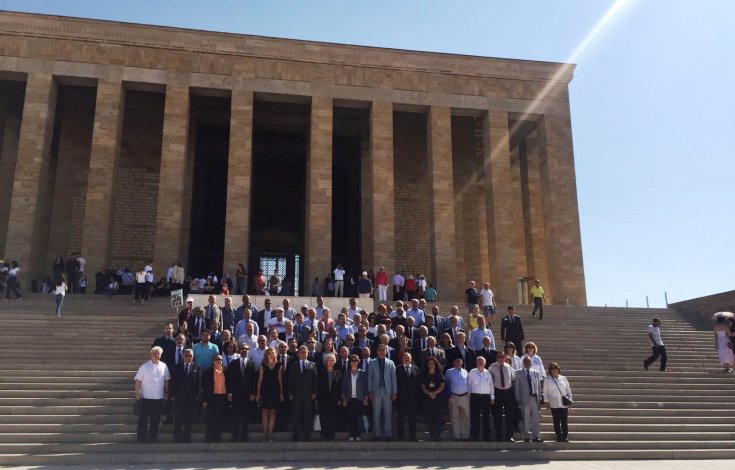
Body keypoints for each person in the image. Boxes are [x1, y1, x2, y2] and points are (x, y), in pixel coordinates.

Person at [134, 346, 170, 443]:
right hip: (146, 398)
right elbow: (138, 382)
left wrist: (166, 393)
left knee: (155, 420)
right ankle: (141, 438)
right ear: (151, 354)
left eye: (158, 353)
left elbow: (167, 380)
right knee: (143, 420)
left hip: (158, 398)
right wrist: (138, 396)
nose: (157, 355)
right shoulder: (144, 367)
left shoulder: (164, 366)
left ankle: (152, 438)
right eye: (155, 353)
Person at [226, 343, 257, 442]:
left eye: (246, 349)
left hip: (247, 395)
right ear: (239, 350)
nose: (244, 350)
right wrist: (229, 392)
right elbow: (229, 379)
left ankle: (244, 436)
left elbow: (253, 380)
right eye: (242, 348)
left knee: (245, 416)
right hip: (235, 394)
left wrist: (253, 393)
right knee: (235, 416)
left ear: (248, 351)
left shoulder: (251, 364)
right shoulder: (234, 363)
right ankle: (235, 436)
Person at [287, 345, 318, 441]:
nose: (304, 354)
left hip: (308, 395)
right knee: (296, 415)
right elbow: (290, 380)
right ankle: (295, 436)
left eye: (305, 352)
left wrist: (314, 392)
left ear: (308, 353)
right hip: (297, 395)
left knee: (307, 415)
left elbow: (315, 380)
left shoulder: (312, 365)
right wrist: (290, 393)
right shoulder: (294, 365)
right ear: (298, 354)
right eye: (302, 352)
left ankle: (307, 436)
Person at [170, 348, 201, 443]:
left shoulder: (197, 367)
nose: (188, 357)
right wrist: (172, 395)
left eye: (190, 356)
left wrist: (198, 395)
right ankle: (177, 438)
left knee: (188, 419)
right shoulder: (177, 367)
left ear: (193, 357)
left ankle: (186, 437)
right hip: (179, 397)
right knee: (178, 418)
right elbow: (172, 382)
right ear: (183, 356)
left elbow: (199, 383)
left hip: (191, 398)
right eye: (186, 355)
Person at [367, 343, 397, 441]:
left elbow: (393, 378)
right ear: (377, 351)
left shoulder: (391, 363)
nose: (381, 352)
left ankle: (388, 434)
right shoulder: (372, 362)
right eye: (380, 350)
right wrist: (370, 391)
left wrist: (394, 392)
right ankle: (377, 434)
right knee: (376, 413)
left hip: (387, 391)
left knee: (388, 413)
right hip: (376, 391)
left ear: (386, 352)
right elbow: (369, 377)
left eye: (383, 350)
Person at [256, 347, 283, 442]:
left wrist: (281, 392)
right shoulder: (263, 366)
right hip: (265, 391)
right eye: (269, 353)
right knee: (264, 412)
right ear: (266, 355)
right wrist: (258, 393)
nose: (271, 354)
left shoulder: (279, 365)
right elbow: (260, 380)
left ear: (275, 354)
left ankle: (270, 435)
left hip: (275, 391)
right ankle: (265, 435)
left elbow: (280, 380)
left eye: (273, 353)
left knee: (272, 413)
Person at [201, 355, 229, 442]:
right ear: (213, 361)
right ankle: (209, 437)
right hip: (212, 397)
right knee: (211, 418)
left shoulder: (226, 372)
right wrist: (205, 400)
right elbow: (205, 387)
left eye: (220, 359)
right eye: (216, 359)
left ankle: (217, 437)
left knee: (220, 417)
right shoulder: (208, 373)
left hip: (222, 397)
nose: (218, 361)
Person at [489, 352, 516, 442]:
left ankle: (509, 435)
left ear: (505, 358)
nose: (500, 358)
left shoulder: (509, 367)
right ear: (496, 358)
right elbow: (490, 381)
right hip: (497, 391)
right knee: (497, 415)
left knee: (510, 414)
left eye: (502, 357)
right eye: (499, 357)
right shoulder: (492, 367)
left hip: (508, 392)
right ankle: (499, 435)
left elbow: (512, 378)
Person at [514, 356, 543, 442]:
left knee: (535, 418)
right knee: (526, 418)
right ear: (523, 363)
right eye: (525, 362)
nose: (527, 363)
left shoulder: (536, 373)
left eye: (529, 362)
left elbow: (538, 386)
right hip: (524, 398)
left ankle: (535, 436)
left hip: (534, 398)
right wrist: (517, 398)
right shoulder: (518, 373)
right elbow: (517, 387)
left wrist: (540, 397)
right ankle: (526, 436)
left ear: (531, 363)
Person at [341, 353, 368, 441]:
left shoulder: (363, 373)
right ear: (350, 362)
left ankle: (357, 435)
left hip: (359, 398)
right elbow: (343, 387)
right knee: (351, 417)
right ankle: (352, 435)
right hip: (350, 398)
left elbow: (365, 386)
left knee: (357, 417)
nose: (354, 362)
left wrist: (366, 398)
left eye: (356, 360)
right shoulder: (346, 373)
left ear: (358, 362)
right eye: (352, 360)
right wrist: (344, 398)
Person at [543, 362, 572, 442]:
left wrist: (570, 401)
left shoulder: (563, 378)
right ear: (550, 370)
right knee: (556, 421)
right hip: (554, 404)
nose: (554, 370)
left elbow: (568, 390)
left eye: (555, 368)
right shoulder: (547, 379)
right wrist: (546, 402)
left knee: (564, 421)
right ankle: (559, 435)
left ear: (558, 369)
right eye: (552, 368)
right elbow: (545, 391)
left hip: (563, 404)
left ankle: (565, 436)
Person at [317, 353, 342, 441]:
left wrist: (339, 398)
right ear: (326, 362)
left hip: (334, 399)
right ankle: (324, 435)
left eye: (332, 360)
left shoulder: (337, 372)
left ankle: (331, 435)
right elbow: (318, 386)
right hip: (323, 398)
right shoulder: (321, 372)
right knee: (323, 417)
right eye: (329, 360)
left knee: (332, 417)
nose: (330, 362)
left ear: (334, 362)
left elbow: (339, 386)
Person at [395, 352, 420, 441]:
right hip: (401, 398)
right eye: (405, 357)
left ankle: (412, 436)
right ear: (402, 359)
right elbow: (396, 383)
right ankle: (400, 436)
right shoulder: (397, 369)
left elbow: (418, 384)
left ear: (411, 359)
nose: (406, 359)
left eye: (408, 357)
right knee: (400, 418)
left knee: (412, 419)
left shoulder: (416, 369)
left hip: (413, 399)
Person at [468, 356, 493, 442]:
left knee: (486, 418)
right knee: (475, 417)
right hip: (475, 397)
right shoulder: (472, 372)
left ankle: (486, 437)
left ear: (485, 363)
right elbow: (468, 385)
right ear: (476, 363)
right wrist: (469, 397)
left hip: (486, 397)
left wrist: (492, 397)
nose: (480, 363)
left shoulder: (488, 373)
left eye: (482, 361)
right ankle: (474, 436)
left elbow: (491, 386)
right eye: (478, 361)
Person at [420, 356, 445, 441]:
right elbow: (423, 386)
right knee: (430, 418)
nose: (431, 365)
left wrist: (435, 393)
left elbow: (442, 385)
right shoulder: (424, 374)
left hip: (438, 399)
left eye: (433, 363)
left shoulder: (439, 374)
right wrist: (429, 393)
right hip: (428, 399)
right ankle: (432, 435)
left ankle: (437, 436)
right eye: (429, 363)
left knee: (438, 418)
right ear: (427, 364)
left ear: (435, 364)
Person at [445, 356, 470, 441]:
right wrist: (449, 396)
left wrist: (468, 395)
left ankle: (465, 435)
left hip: (465, 396)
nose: (458, 363)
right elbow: (446, 385)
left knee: (465, 416)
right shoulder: (449, 372)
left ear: (462, 363)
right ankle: (456, 436)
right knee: (454, 416)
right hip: (453, 397)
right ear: (453, 363)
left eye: (460, 361)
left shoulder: (465, 372)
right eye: (456, 361)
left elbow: (468, 384)